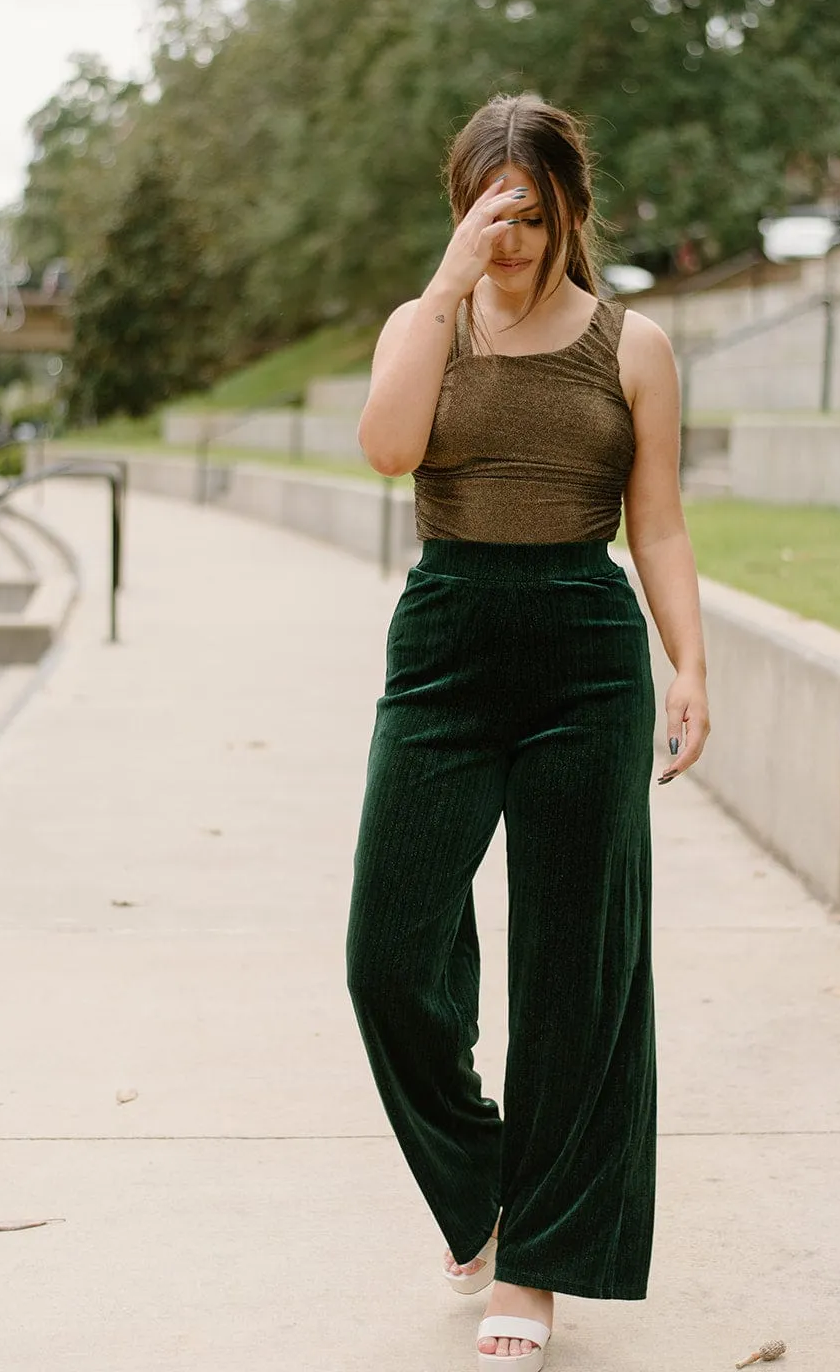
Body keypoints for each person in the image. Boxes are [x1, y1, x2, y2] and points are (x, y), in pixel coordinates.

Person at [346, 92, 710, 1370]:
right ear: (460, 210)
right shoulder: (422, 325)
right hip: (445, 640)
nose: (507, 243)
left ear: (570, 212)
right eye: (485, 217)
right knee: (387, 954)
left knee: (574, 970)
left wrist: (688, 663)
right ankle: (487, 1186)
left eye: (529, 218)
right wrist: (442, 288)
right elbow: (390, 447)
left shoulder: (634, 343)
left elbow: (655, 520)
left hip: (584, 650)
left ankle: (538, 1267)